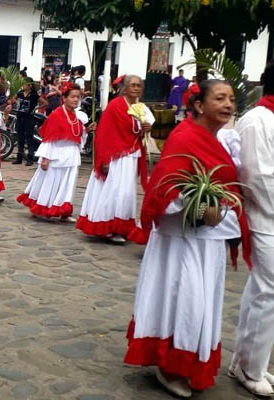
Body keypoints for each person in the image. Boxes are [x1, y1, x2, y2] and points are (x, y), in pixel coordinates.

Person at [124, 79, 251, 398]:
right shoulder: (185, 137)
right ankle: (170, 364)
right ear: (198, 105)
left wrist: (220, 207)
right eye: (219, 98)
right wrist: (198, 207)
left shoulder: (220, 140)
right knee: (184, 298)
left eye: (232, 99)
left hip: (208, 239)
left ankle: (191, 361)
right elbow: (166, 186)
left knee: (201, 299)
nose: (228, 104)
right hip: (181, 240)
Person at [230, 63, 274, 397]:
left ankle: (245, 360)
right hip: (265, 216)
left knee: (262, 291)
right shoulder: (257, 120)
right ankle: (250, 367)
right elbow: (258, 176)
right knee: (267, 293)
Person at [76, 75, 153, 243]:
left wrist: (146, 128)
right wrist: (104, 160)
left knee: (126, 193)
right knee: (115, 192)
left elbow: (141, 131)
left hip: (132, 156)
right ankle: (108, 227)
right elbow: (104, 134)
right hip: (116, 157)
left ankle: (122, 226)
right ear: (124, 88)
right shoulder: (115, 107)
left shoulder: (142, 108)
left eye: (139, 85)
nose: (136, 88)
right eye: (132, 85)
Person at [17, 85, 94, 219]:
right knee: (50, 182)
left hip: (72, 155)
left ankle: (64, 210)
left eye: (78, 97)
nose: (76, 100)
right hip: (56, 154)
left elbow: (76, 134)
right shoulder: (57, 115)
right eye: (73, 97)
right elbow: (49, 138)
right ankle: (43, 205)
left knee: (68, 185)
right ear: (64, 98)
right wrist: (45, 158)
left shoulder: (80, 116)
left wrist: (86, 131)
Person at [12, 79, 40, 166]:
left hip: (29, 118)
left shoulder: (34, 95)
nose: (23, 86)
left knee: (29, 138)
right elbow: (12, 99)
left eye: (25, 84)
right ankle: (19, 157)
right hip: (20, 117)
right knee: (20, 137)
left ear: (29, 85)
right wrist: (17, 103)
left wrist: (35, 109)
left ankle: (30, 158)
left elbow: (45, 103)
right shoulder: (20, 93)